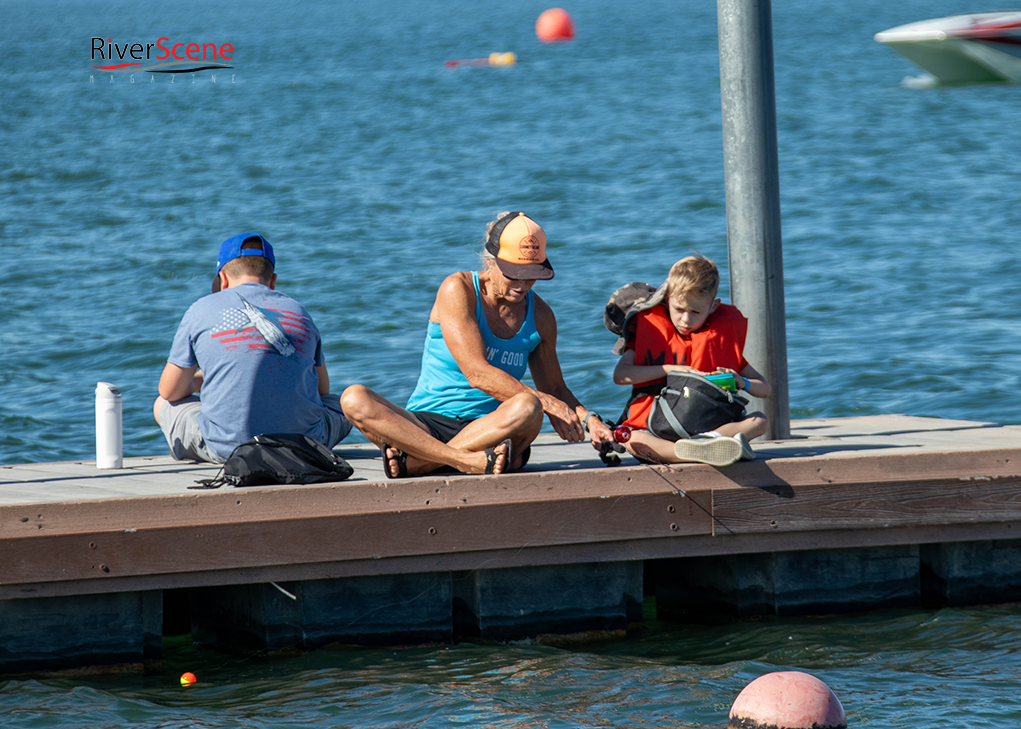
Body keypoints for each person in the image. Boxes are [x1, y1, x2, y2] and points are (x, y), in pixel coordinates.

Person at [341, 211, 615, 478]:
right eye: (514, 273)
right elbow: (477, 373)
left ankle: (421, 462)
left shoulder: (542, 317)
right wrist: (550, 404)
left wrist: (589, 419)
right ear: (490, 260)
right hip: (426, 424)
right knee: (354, 398)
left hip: (494, 429)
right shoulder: (457, 289)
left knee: (529, 407)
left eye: (532, 274)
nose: (523, 284)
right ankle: (463, 459)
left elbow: (555, 388)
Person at [154, 233, 351, 463]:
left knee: (163, 404)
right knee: (341, 403)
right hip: (303, 445)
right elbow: (322, 390)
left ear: (223, 280)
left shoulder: (199, 310)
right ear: (273, 280)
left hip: (229, 449)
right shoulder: (299, 312)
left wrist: (204, 380)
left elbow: (169, 391)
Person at [612, 254, 770, 466]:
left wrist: (742, 381)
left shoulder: (718, 341)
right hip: (658, 428)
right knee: (631, 438)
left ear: (713, 306)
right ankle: (697, 451)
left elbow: (765, 389)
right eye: (679, 309)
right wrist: (669, 369)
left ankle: (708, 443)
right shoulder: (651, 336)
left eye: (696, 311)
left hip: (706, 427)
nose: (686, 319)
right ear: (667, 299)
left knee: (759, 421)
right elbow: (621, 375)